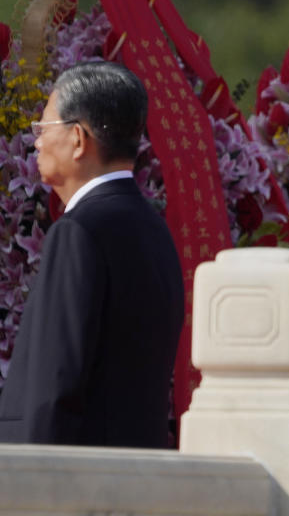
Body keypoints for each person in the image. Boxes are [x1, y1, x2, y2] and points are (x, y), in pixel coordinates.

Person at [0, 61, 184, 447]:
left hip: (69, 483)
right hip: (132, 470)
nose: (36, 141)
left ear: (79, 139)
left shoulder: (79, 231)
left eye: (44, 128)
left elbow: (53, 383)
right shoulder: (156, 230)